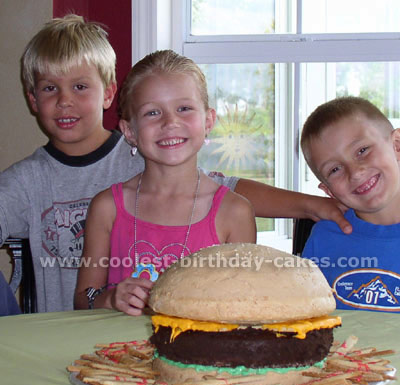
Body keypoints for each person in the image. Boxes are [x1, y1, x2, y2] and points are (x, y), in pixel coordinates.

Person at [0, 14, 350, 314]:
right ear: (131, 128)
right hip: (87, 344)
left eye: (79, 86)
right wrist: (107, 298)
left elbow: (226, 193)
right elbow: (87, 295)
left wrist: (312, 205)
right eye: (49, 89)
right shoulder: (49, 188)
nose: (65, 102)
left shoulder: (169, 166)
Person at [74, 50, 257, 315]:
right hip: (115, 352)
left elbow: (242, 307)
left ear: (208, 121)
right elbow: (82, 299)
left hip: (199, 354)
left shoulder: (235, 213)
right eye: (152, 113)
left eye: (184, 109)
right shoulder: (107, 207)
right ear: (129, 131)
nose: (170, 122)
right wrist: (112, 298)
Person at [301, 96, 400, 313]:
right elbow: (307, 318)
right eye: (334, 170)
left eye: (362, 150)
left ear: (397, 146)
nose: (355, 173)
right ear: (328, 191)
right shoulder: (323, 239)